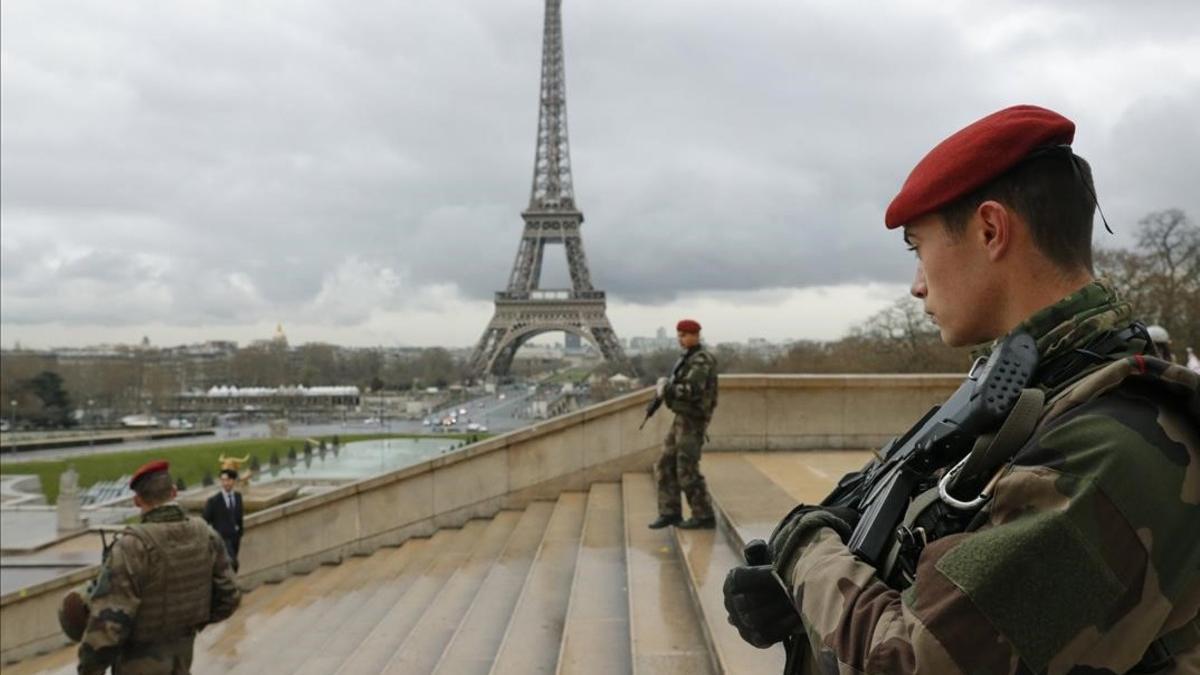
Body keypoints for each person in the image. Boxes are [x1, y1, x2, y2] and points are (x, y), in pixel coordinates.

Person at [723, 105, 1200, 673]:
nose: (917, 285)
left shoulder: (1113, 446)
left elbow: (915, 663)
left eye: (916, 247)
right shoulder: (1033, 391)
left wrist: (805, 550)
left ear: (990, 230)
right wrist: (809, 593)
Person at [76, 460, 241, 674]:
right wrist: (189, 623)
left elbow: (107, 626)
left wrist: (88, 670)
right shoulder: (206, 535)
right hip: (182, 659)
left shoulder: (131, 546)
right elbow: (229, 597)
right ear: (173, 492)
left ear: (137, 500)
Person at [648, 319, 719, 530]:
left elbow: (692, 389)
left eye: (685, 335)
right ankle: (670, 512)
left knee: (687, 468)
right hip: (682, 417)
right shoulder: (688, 358)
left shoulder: (701, 360)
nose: (681, 339)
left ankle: (703, 514)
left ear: (696, 335)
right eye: (679, 335)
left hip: (692, 420)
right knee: (665, 463)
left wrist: (667, 388)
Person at [203, 468, 245, 571]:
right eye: (223, 480)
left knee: (231, 566)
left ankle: (232, 584)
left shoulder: (238, 497)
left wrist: (240, 532)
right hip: (222, 539)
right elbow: (204, 520)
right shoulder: (214, 501)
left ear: (233, 481)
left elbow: (239, 517)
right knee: (233, 564)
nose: (225, 483)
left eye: (227, 480)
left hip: (235, 538)